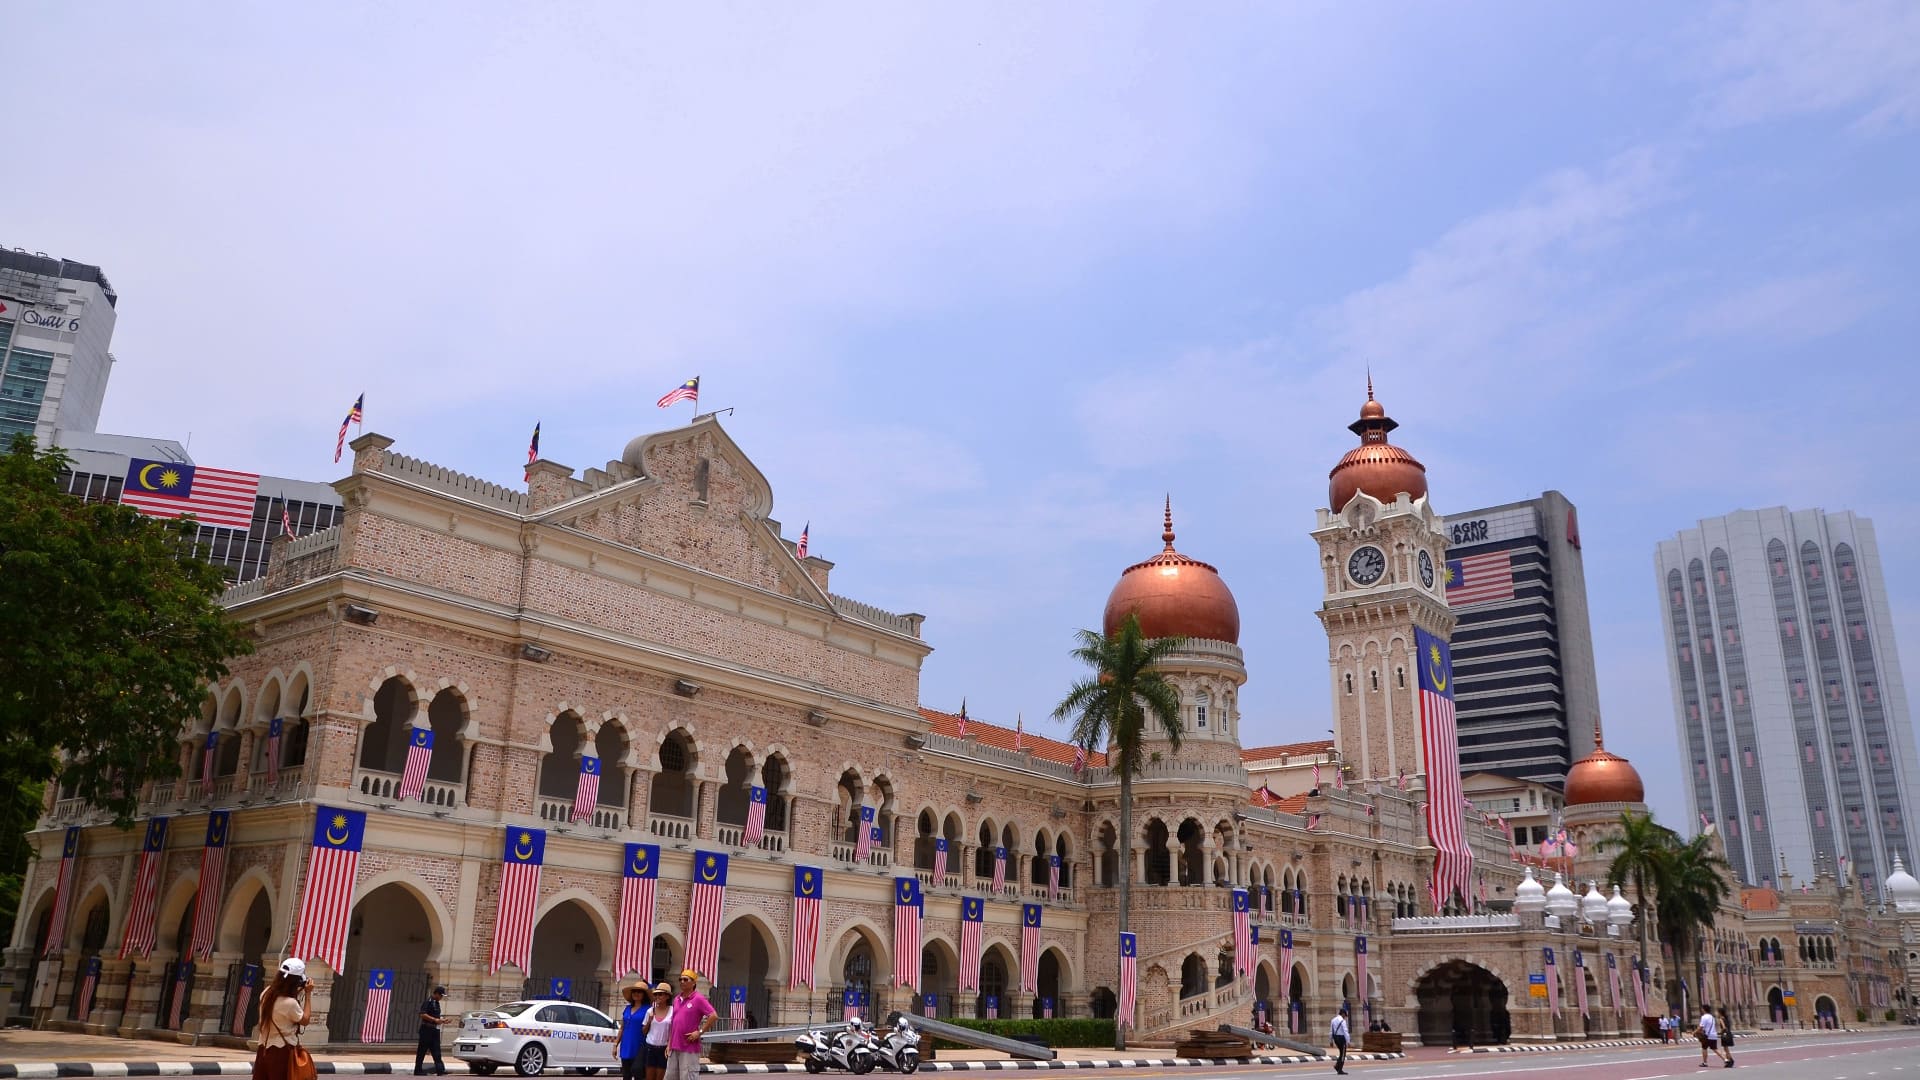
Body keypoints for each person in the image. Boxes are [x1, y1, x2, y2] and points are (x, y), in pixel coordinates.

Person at [251, 958, 312, 1080]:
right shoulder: (290, 1003)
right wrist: (308, 994)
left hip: (263, 1049)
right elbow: (305, 1020)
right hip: (282, 1051)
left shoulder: (266, 993)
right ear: (295, 981)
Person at [667, 969, 716, 1080]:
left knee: (687, 1077)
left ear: (693, 983)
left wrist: (699, 1032)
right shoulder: (676, 999)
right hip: (674, 1046)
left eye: (685, 979)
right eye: (680, 979)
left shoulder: (698, 998)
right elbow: (673, 1022)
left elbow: (713, 1016)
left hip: (689, 1046)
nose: (682, 982)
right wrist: (669, 1043)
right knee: (670, 1077)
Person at [615, 980, 649, 1080]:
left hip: (640, 1046)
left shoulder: (649, 1009)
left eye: (639, 992)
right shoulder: (627, 1008)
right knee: (626, 1075)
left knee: (638, 1072)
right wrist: (615, 1044)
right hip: (626, 1045)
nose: (636, 994)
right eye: (634, 991)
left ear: (644, 995)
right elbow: (622, 1027)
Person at [417, 985, 452, 1075]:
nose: (441, 998)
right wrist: (434, 1020)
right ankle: (418, 1070)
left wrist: (443, 1020)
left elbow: (436, 1016)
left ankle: (440, 1070)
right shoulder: (428, 1001)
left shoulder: (436, 1003)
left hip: (434, 1030)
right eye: (440, 995)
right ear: (436, 993)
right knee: (422, 1051)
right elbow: (422, 1014)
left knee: (437, 1051)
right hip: (426, 1029)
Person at [1329, 1004, 1350, 1075]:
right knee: (1343, 1054)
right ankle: (1340, 1069)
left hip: (1335, 1038)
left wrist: (1331, 1041)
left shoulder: (1333, 1020)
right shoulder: (1342, 1021)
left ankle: (1337, 1066)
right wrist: (1348, 1041)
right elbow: (1345, 1031)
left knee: (1341, 1053)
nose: (1345, 1017)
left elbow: (1331, 1031)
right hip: (1341, 1038)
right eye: (1345, 1015)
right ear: (1343, 1014)